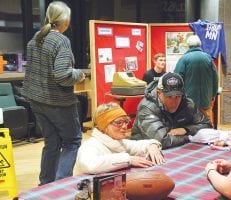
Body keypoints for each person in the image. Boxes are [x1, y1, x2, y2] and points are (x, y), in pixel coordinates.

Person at [22, 1, 86, 185]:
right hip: (57, 102)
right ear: (65, 21)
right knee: (72, 142)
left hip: (36, 100)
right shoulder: (61, 41)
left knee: (51, 144)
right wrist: (79, 74)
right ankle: (61, 186)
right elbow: (62, 75)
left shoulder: (36, 38)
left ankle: (45, 184)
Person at [75, 102, 164, 174]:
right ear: (103, 126)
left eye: (126, 122)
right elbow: (91, 165)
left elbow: (139, 145)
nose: (125, 126)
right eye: (119, 123)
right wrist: (129, 159)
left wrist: (153, 146)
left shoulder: (119, 142)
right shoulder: (90, 145)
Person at [131, 72, 213, 149]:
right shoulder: (147, 107)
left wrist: (185, 129)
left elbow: (207, 125)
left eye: (178, 96)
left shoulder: (187, 104)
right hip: (145, 152)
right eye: (169, 97)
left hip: (178, 148)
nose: (174, 102)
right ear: (159, 93)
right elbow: (160, 141)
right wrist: (189, 137)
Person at [174, 35, 218, 124]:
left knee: (190, 126)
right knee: (207, 126)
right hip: (206, 101)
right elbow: (215, 79)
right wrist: (213, 95)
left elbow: (177, 79)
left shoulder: (184, 59)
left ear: (188, 45)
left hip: (189, 102)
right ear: (199, 45)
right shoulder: (208, 58)